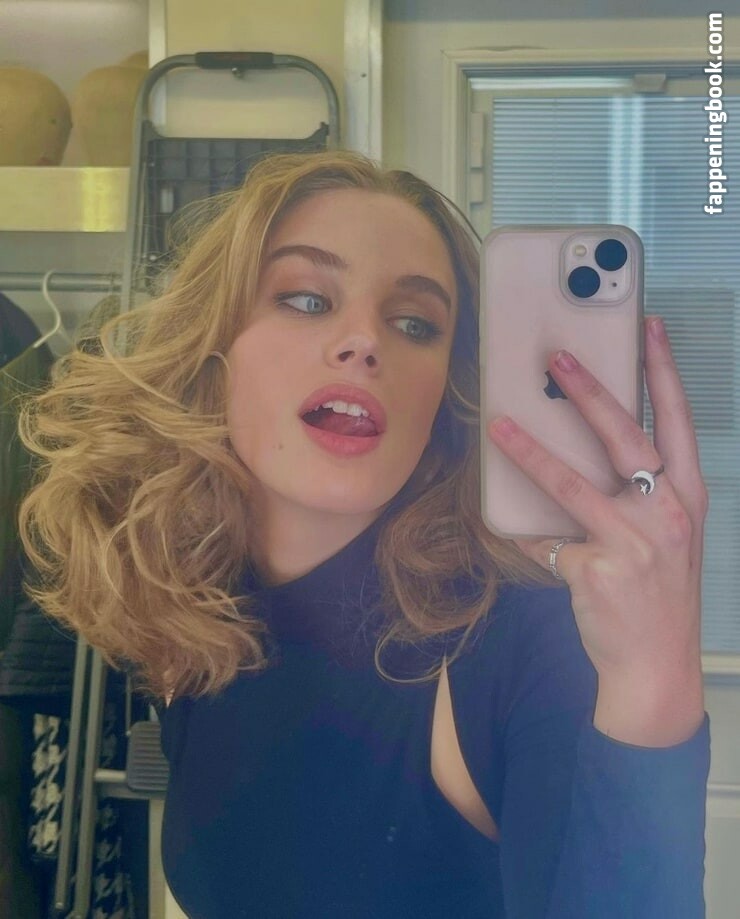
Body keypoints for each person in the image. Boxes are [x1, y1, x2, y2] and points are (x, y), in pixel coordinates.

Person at [18, 150, 710, 918]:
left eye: (415, 322)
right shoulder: (190, 609)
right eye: (307, 299)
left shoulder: (521, 639)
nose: (364, 342)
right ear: (213, 354)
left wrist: (655, 679)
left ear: (444, 394)